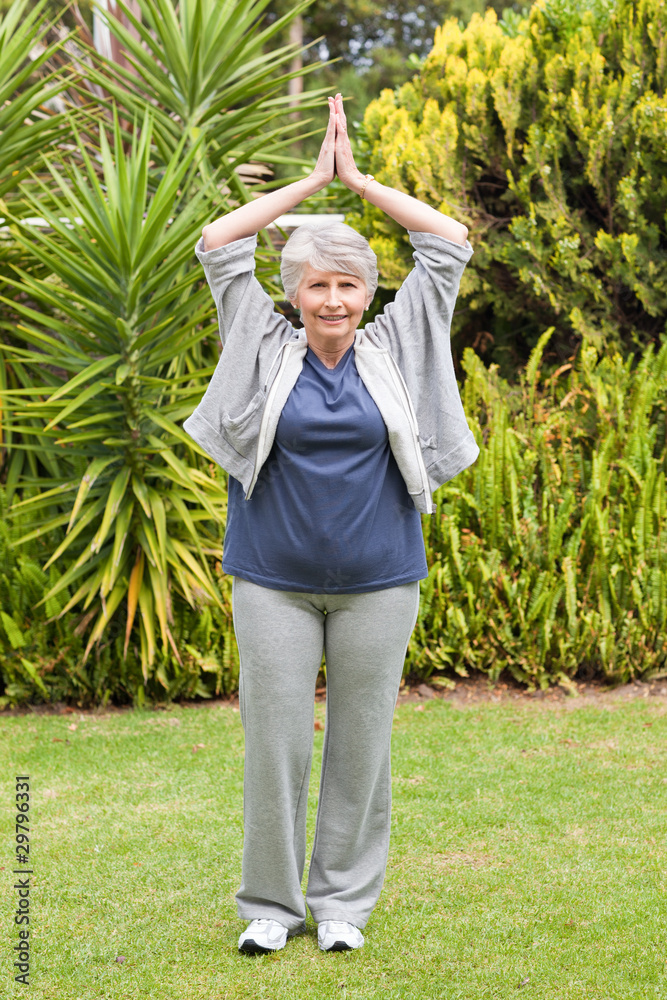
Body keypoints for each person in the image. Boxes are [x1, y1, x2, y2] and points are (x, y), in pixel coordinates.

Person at [183, 93, 479, 955]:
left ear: (368, 291)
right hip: (271, 580)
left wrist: (361, 180)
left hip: (380, 582)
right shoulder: (260, 340)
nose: (334, 300)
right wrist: (312, 181)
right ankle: (270, 907)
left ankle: (342, 902)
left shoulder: (399, 340)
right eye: (318, 284)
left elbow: (448, 240)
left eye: (349, 284)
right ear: (294, 291)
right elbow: (217, 244)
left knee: (362, 746)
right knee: (273, 748)